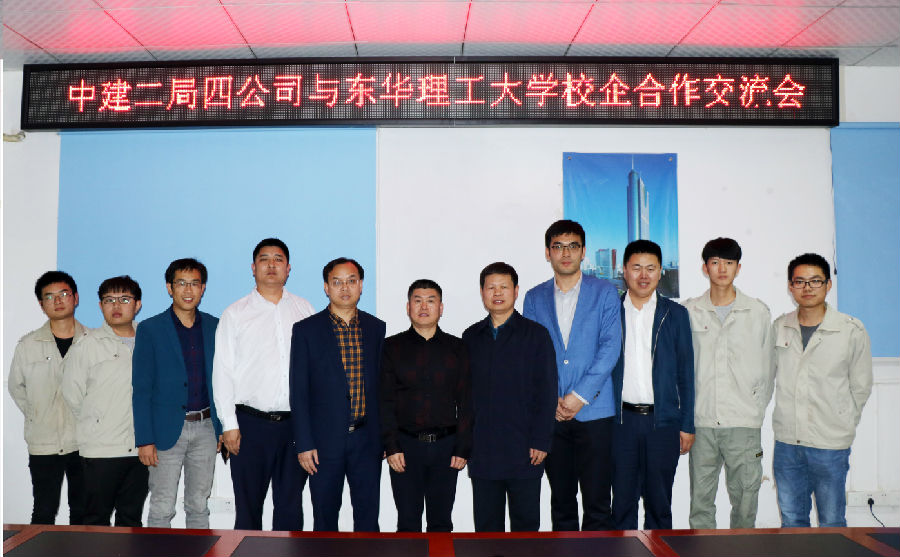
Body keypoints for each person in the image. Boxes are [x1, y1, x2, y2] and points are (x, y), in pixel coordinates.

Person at [523, 220, 621, 531]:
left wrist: (579, 396)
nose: (566, 253)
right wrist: (550, 399)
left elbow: (610, 348)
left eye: (573, 246)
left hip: (595, 412)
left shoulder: (605, 293)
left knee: (597, 504)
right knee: (562, 503)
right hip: (552, 415)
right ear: (548, 253)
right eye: (558, 246)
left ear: (583, 251)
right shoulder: (534, 297)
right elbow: (530, 355)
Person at [212, 238, 315, 531]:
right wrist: (229, 424)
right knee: (248, 509)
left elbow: (315, 370)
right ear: (253, 267)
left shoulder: (304, 309)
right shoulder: (235, 313)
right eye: (264, 259)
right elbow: (222, 371)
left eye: (278, 259)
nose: (271, 265)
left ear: (288, 268)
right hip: (249, 426)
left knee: (290, 507)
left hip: (294, 426)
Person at [772, 253, 872, 528]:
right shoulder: (781, 327)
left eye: (815, 281)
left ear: (828, 285)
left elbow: (861, 386)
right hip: (788, 444)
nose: (807, 288)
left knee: (831, 522)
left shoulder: (850, 330)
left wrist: (843, 423)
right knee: (792, 520)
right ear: (791, 286)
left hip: (830, 444)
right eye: (800, 281)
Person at [684, 238, 774, 529]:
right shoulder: (689, 311)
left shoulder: (757, 312)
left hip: (742, 424)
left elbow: (768, 367)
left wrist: (754, 409)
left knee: (746, 501)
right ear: (705, 268)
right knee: (700, 503)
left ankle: (742, 549)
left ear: (738, 268)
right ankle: (702, 549)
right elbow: (682, 369)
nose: (722, 269)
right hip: (702, 423)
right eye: (715, 262)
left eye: (729, 262)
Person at [291, 257, 386, 532]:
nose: (345, 288)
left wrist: (384, 438)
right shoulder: (306, 330)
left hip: (366, 440)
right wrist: (304, 443)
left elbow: (381, 388)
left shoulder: (376, 328)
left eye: (351, 281)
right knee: (324, 518)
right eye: (337, 282)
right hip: (323, 443)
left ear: (361, 285)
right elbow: (299, 391)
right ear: (326, 287)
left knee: (368, 518)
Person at [462, 262, 557, 532]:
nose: (497, 293)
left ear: (516, 291)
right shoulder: (471, 337)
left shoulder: (536, 335)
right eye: (491, 287)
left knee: (525, 531)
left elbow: (547, 391)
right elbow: (464, 398)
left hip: (525, 450)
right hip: (483, 450)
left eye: (504, 287)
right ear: (482, 292)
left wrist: (541, 440)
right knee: (486, 530)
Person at [132, 258, 222, 528]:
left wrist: (221, 428)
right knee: (162, 506)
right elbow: (141, 389)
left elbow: (223, 381)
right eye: (181, 283)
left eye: (194, 283)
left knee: (199, 505)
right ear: (169, 288)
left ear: (203, 288)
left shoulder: (215, 326)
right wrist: (145, 439)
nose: (188, 290)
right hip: (165, 431)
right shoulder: (150, 329)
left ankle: (200, 548)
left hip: (206, 428)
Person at [611, 240, 694, 530]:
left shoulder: (676, 314)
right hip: (620, 423)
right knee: (622, 505)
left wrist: (687, 424)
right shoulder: (610, 311)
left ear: (660, 272)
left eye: (650, 268)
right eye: (636, 268)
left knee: (660, 506)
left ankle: (659, 550)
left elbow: (686, 373)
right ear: (624, 271)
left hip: (663, 423)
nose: (643, 275)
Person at [380, 279, 473, 532]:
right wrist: (391, 446)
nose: (424, 307)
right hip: (405, 447)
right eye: (417, 300)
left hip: (447, 447)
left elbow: (467, 401)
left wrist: (463, 447)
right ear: (408, 307)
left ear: (440, 308)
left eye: (431, 301)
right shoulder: (391, 348)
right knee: (407, 522)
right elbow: (385, 401)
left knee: (441, 523)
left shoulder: (458, 348)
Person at [62, 275, 148, 526]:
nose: (116, 306)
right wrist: (98, 421)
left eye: (124, 299)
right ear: (100, 306)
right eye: (109, 300)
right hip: (101, 450)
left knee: (131, 521)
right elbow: (72, 394)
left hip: (141, 449)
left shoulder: (149, 340)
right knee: (95, 521)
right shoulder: (87, 345)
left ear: (137, 304)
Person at [8, 271, 87, 525]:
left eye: (64, 294)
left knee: (84, 513)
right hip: (43, 442)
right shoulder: (28, 345)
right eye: (50, 297)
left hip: (85, 442)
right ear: (42, 305)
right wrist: (37, 415)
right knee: (43, 511)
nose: (58, 300)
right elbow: (16, 387)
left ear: (75, 298)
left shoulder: (93, 342)